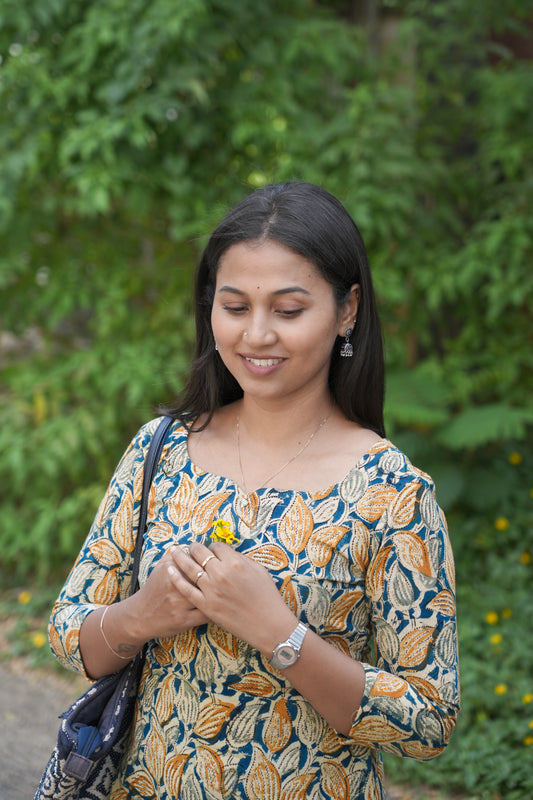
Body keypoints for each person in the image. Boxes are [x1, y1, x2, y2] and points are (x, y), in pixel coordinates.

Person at [49, 182, 460, 800]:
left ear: (347, 310)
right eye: (235, 307)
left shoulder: (393, 491)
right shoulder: (161, 450)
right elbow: (69, 634)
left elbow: (429, 719)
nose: (257, 335)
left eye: (288, 310)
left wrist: (279, 633)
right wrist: (143, 614)